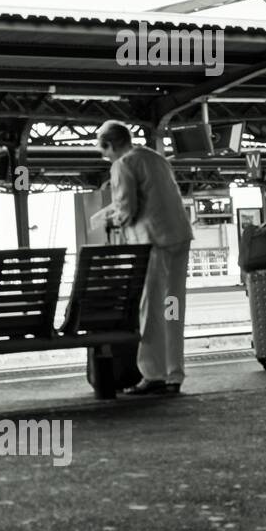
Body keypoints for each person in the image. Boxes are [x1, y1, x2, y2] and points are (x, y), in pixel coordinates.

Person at [96, 120, 194, 396]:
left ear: (111, 145)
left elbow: (127, 209)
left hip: (153, 242)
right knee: (173, 307)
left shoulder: (123, 164)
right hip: (179, 237)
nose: (105, 157)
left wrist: (109, 219)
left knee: (151, 311)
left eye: (103, 151)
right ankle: (174, 373)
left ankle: (154, 374)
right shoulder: (155, 158)